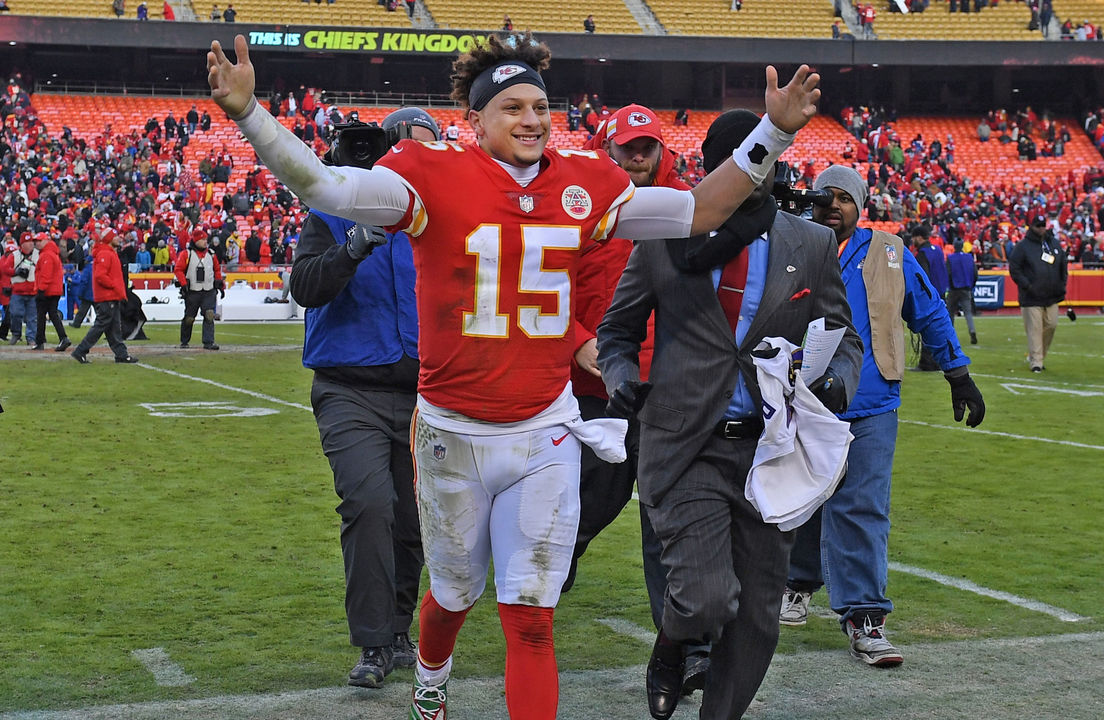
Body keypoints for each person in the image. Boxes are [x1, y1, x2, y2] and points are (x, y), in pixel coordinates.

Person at [206, 31, 820, 720]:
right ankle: (431, 674)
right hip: (452, 429)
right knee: (453, 596)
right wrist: (248, 112)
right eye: (513, 108)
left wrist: (774, 132)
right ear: (474, 120)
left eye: (540, 107)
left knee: (530, 617)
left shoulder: (585, 180)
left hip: (543, 429)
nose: (532, 120)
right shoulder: (430, 171)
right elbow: (325, 185)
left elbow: (700, 210)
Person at [596, 110, 861, 720]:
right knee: (706, 599)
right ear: (715, 165)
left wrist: (836, 380)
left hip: (770, 449)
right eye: (740, 159)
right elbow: (618, 331)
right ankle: (673, 642)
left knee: (759, 615)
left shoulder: (811, 242)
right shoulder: (664, 231)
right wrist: (620, 377)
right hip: (684, 443)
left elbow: (842, 334)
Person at [779, 161, 983, 672]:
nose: (833, 205)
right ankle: (797, 582)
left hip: (870, 402)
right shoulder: (791, 242)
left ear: (861, 206)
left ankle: (866, 616)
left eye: (844, 198)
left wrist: (957, 372)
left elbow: (929, 310)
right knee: (798, 500)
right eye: (825, 196)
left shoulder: (890, 252)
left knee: (863, 506)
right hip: (802, 398)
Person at [559, 103, 712, 693]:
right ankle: (549, 573)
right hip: (594, 389)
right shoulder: (576, 205)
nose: (639, 155)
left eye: (648, 145)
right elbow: (543, 287)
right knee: (584, 504)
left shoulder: (686, 207)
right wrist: (577, 341)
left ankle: (687, 645)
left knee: (668, 518)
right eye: (629, 146)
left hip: (668, 390)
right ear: (608, 148)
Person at [291, 107, 438, 690]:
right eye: (410, 147)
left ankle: (399, 630)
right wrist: (351, 248)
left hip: (425, 392)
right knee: (370, 504)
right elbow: (305, 287)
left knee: (413, 519)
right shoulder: (332, 209)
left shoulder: (439, 220)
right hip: (349, 389)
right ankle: (375, 642)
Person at [1008, 213, 1067, 372]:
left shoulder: (1053, 243)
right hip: (1031, 297)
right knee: (1034, 329)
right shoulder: (1023, 247)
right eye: (1038, 226)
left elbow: (1062, 263)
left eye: (1043, 225)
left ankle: (1039, 355)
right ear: (1032, 227)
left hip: (1052, 295)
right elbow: (1014, 268)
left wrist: (1062, 284)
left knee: (1051, 325)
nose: (1041, 229)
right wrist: (1027, 286)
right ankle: (1036, 362)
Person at [70, 226, 136, 364]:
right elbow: (100, 275)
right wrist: (114, 286)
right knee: (101, 326)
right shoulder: (105, 254)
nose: (118, 238)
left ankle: (121, 354)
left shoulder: (108, 253)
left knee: (113, 328)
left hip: (111, 295)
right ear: (109, 239)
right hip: (108, 296)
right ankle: (81, 350)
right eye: (115, 236)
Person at [172, 229, 224, 350]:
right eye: (202, 239)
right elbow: (178, 270)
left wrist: (220, 284)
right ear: (196, 241)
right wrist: (183, 284)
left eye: (206, 239)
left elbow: (217, 270)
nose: (205, 242)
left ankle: (208, 342)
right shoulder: (186, 254)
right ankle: (184, 340)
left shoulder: (211, 254)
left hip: (208, 290)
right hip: (192, 291)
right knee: (189, 318)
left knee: (209, 314)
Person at [908, 226, 946, 370]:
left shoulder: (922, 254)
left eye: (914, 238)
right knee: (938, 329)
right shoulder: (938, 250)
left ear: (919, 237)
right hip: (940, 293)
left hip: (928, 295)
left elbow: (922, 277)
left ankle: (926, 362)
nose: (913, 241)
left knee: (927, 329)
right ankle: (938, 361)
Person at [33, 233, 72, 352]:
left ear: (46, 241)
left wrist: (41, 289)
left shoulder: (47, 255)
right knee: (50, 314)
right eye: (36, 241)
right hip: (53, 289)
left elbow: (46, 274)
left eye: (39, 240)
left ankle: (42, 341)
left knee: (43, 315)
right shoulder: (51, 253)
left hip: (48, 290)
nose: (37, 243)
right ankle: (57, 338)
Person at [6, 235, 39, 346]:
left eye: (32, 242)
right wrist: (16, 272)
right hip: (17, 291)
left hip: (33, 291)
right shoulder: (14, 255)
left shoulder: (38, 254)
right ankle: (16, 334)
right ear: (22, 244)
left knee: (32, 317)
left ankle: (31, 338)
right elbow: (5, 269)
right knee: (15, 314)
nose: (31, 244)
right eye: (28, 242)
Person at [946, 238, 979, 345]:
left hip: (954, 289)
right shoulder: (969, 257)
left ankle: (950, 335)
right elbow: (975, 273)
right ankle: (972, 331)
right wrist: (971, 285)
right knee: (968, 313)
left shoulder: (950, 258)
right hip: (966, 288)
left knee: (950, 312)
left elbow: (948, 273)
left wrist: (950, 286)